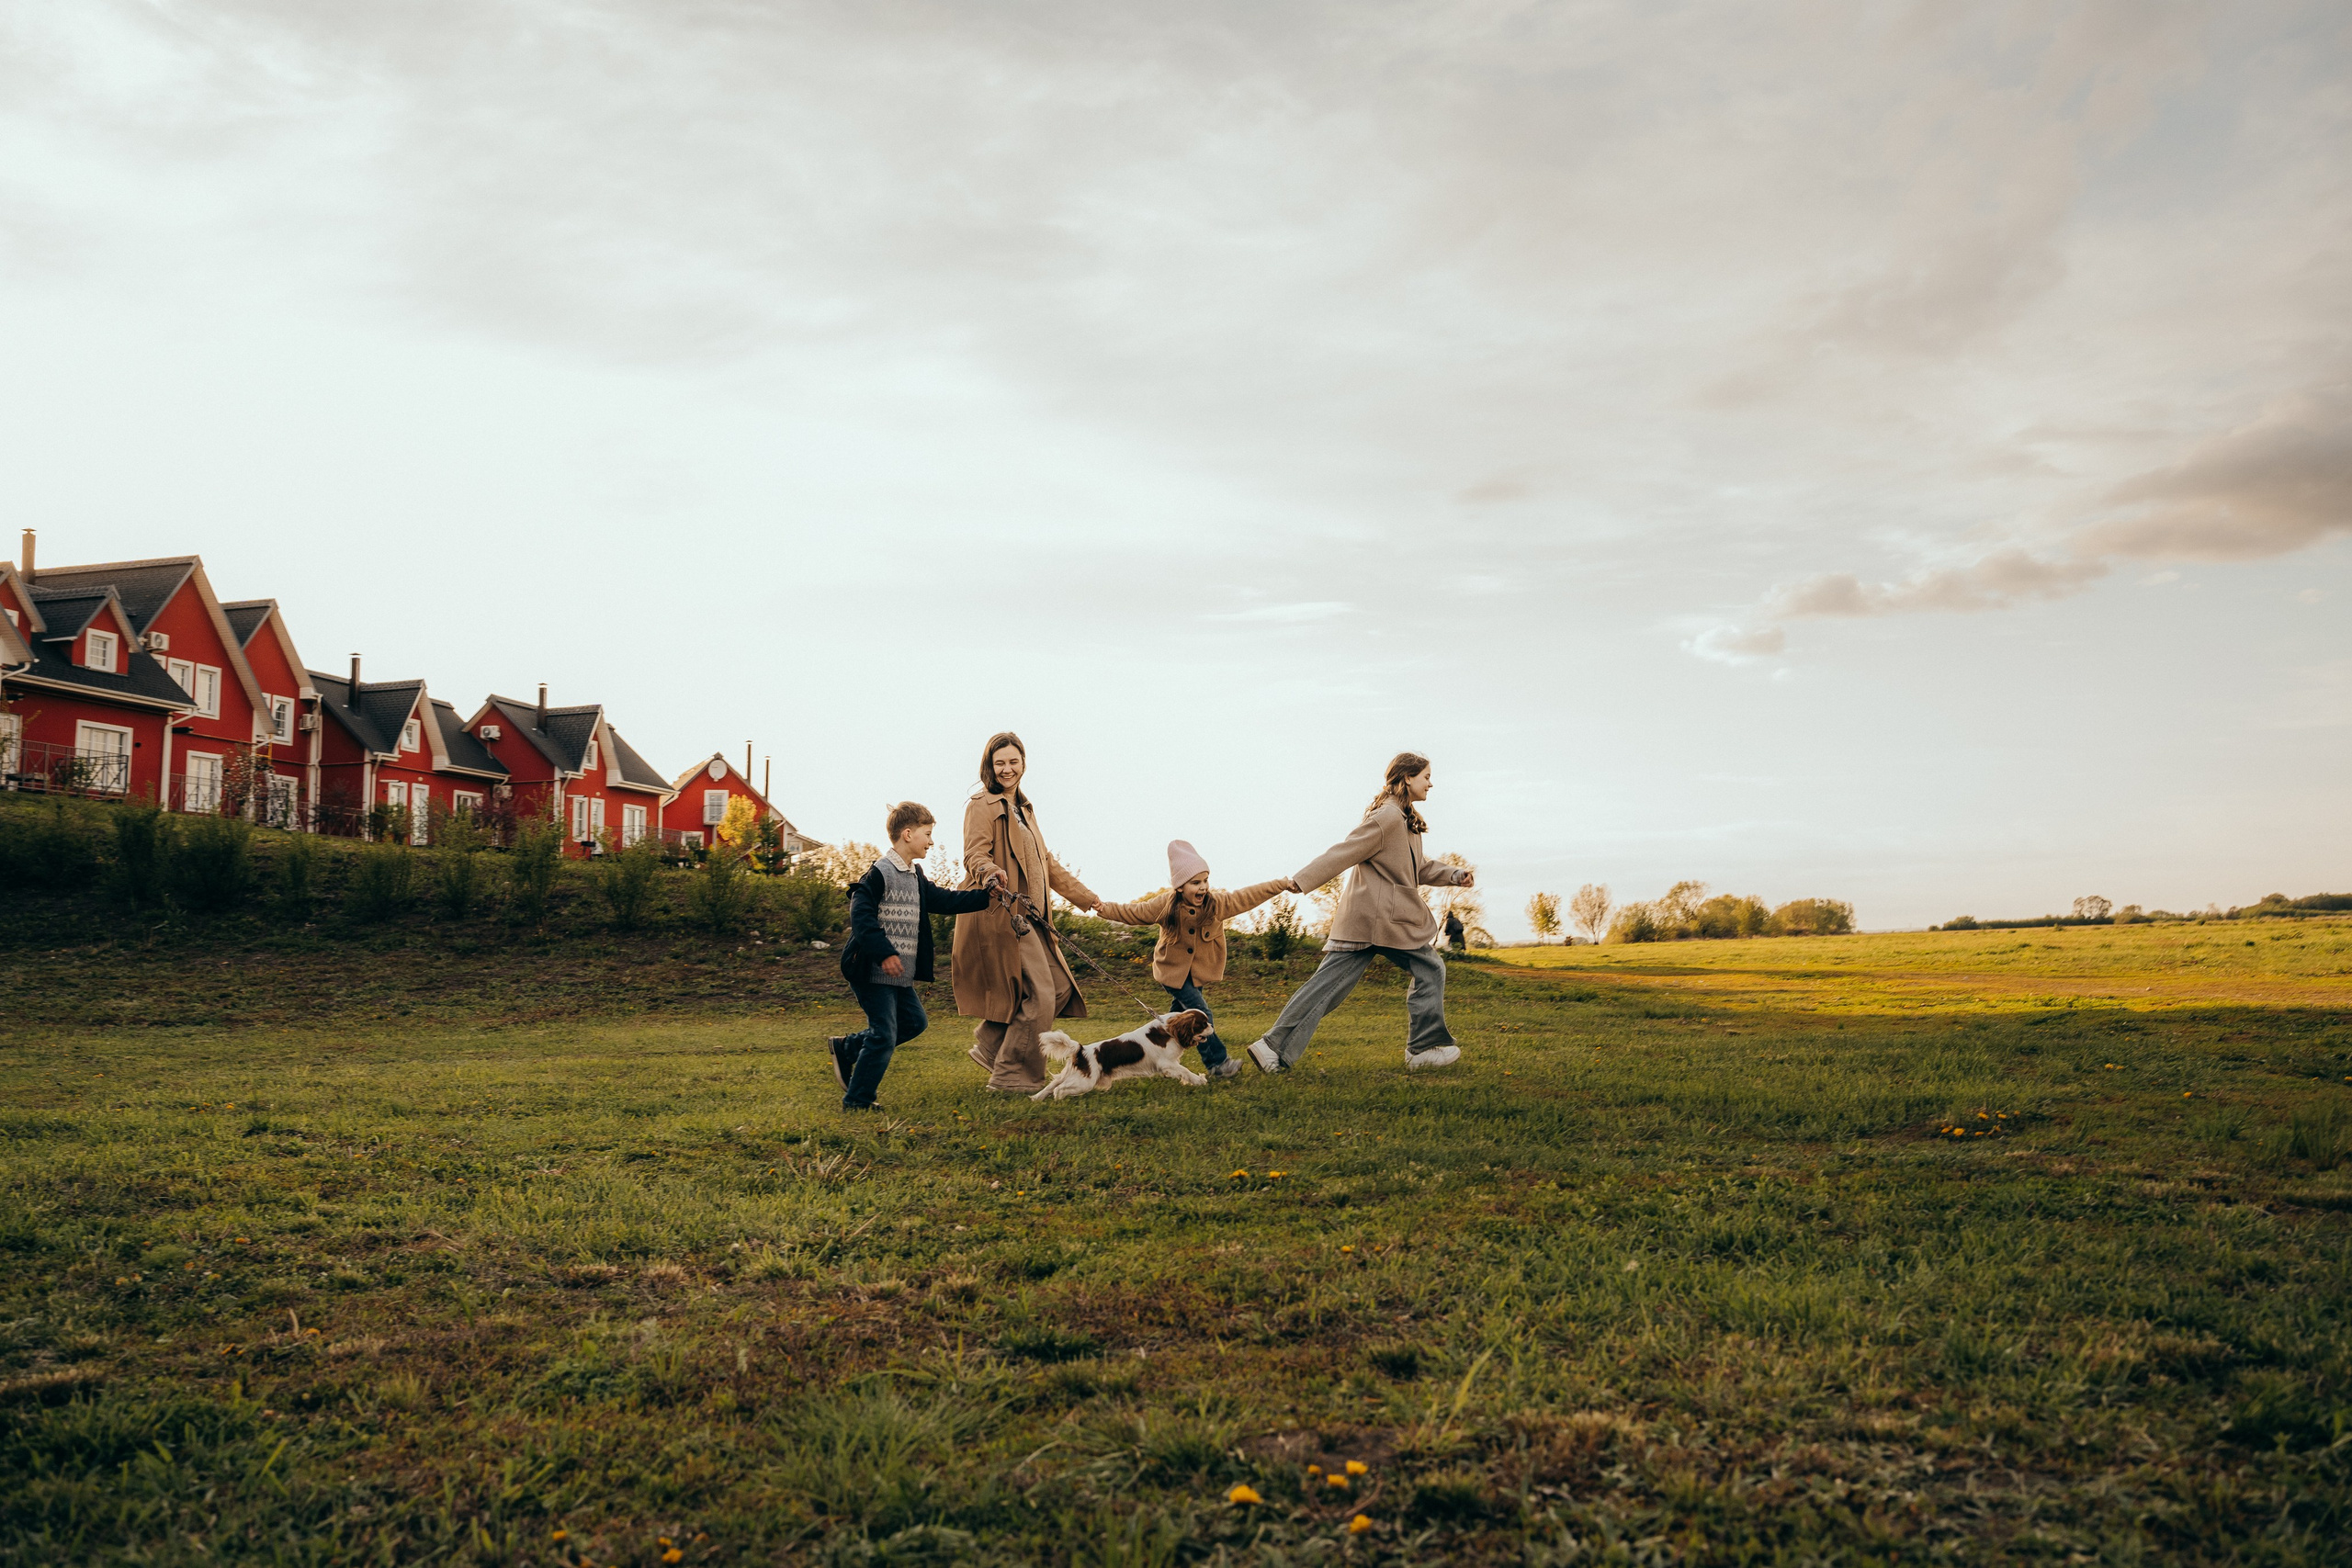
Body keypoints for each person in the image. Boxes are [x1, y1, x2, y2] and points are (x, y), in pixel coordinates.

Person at [1243, 751, 1475, 1074]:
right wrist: (1303, 878)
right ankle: (1421, 1049)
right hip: (1376, 920)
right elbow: (1346, 850)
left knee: (1330, 987)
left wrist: (1452, 875)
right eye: (1426, 776)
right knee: (1428, 968)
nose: (1431, 783)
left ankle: (1272, 1047)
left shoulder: (1405, 820)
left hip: (1384, 921)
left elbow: (1417, 867)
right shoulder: (1387, 817)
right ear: (1407, 777)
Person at [953, 731, 1102, 1092]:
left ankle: (992, 1046)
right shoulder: (982, 805)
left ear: (1024, 763)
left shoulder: (1025, 810)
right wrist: (989, 873)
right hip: (1004, 913)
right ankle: (1012, 1077)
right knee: (1041, 993)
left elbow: (1045, 865)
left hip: (1033, 918)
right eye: (999, 762)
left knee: (1062, 988)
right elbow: (974, 853)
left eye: (1013, 762)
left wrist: (1088, 899)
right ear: (989, 765)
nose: (1007, 769)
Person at [830, 802, 998, 1111]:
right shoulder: (880, 872)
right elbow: (861, 916)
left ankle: (849, 1046)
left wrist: (986, 898)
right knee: (884, 1033)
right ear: (908, 834)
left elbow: (944, 900)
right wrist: (884, 953)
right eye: (928, 834)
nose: (931, 842)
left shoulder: (915, 876)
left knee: (915, 1022)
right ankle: (857, 1100)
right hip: (871, 969)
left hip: (898, 975)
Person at [1093, 840, 1295, 1080]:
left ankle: (1163, 1056)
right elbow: (1134, 912)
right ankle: (1217, 1063)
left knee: (1176, 1020)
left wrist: (1281, 884)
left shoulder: (1217, 904)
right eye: (1195, 883)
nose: (1203, 887)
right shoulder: (1165, 905)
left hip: (1196, 974)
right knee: (1200, 1013)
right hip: (1171, 973)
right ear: (1180, 887)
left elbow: (1248, 896)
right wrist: (1103, 908)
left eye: (1205, 881)